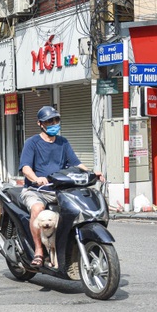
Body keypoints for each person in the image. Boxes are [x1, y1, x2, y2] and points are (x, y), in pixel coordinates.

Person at [19, 106, 105, 267]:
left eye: (56, 120)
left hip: (60, 190)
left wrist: (93, 173)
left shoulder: (63, 142)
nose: (53, 123)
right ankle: (38, 251)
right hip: (36, 190)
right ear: (40, 124)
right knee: (37, 209)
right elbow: (25, 168)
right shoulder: (32, 143)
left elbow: (76, 163)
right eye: (49, 121)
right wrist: (36, 179)